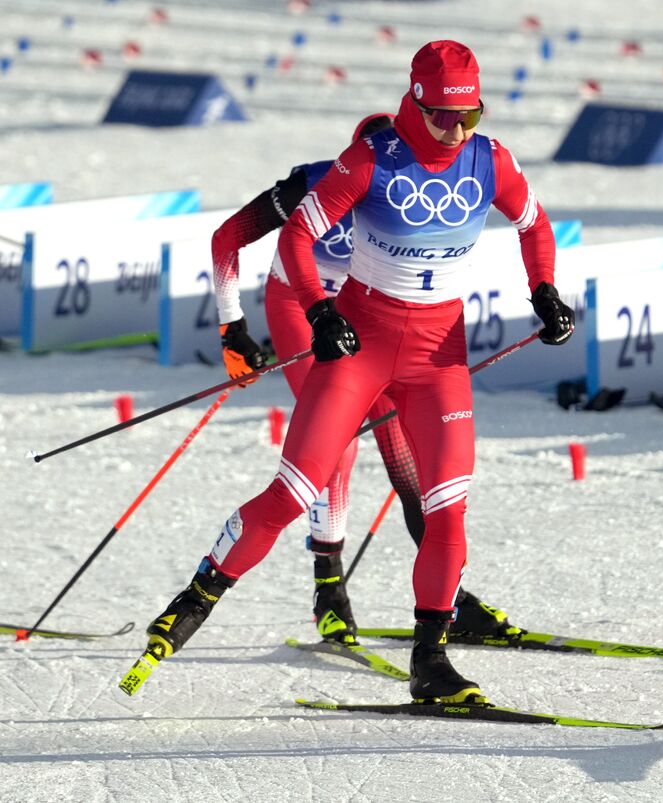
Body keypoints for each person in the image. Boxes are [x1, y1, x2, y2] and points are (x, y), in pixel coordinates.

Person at [136, 40, 574, 704]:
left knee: (444, 506)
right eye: (442, 118)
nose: (456, 131)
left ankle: (433, 657)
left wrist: (544, 291)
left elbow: (535, 224)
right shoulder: (367, 159)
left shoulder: (491, 160)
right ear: (414, 104)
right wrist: (303, 313)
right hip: (359, 341)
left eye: (470, 117)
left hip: (438, 358)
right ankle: (197, 597)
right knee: (297, 488)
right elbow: (292, 238)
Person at [211, 113, 523, 647]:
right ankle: (329, 591)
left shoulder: (423, 189)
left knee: (412, 469)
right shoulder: (316, 183)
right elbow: (227, 239)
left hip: (378, 321)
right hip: (303, 307)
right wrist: (232, 328)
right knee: (336, 452)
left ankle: (452, 603)